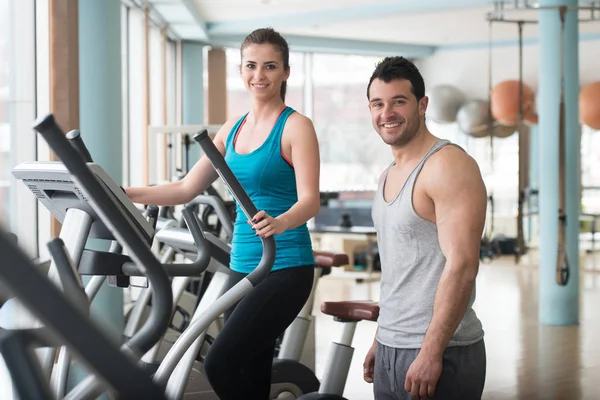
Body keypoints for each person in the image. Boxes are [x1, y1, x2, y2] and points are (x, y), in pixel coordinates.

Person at [125, 27, 320, 399]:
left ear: (285, 72)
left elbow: (310, 201)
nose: (258, 75)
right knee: (251, 369)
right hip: (243, 264)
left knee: (220, 362)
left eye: (269, 66)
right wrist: (121, 191)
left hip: (286, 265)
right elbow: (185, 189)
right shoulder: (232, 129)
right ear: (240, 70)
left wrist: (279, 221)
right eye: (251, 66)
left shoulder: (296, 126)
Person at [362, 56, 487, 400]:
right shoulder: (388, 174)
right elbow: (400, 270)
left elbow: (462, 265)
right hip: (392, 345)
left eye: (398, 102)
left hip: (441, 350)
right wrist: (381, 338)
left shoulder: (448, 165)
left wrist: (432, 352)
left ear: (422, 105)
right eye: (378, 104)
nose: (387, 113)